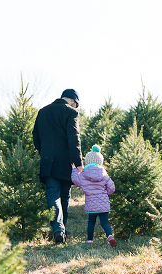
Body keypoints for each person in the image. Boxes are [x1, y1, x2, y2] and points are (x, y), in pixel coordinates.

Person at [32, 89, 83, 243]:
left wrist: (43, 151)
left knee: (53, 195)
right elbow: (74, 139)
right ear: (74, 101)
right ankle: (61, 228)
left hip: (47, 161)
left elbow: (35, 135)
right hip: (64, 162)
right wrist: (79, 164)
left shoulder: (43, 111)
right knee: (65, 195)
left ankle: (59, 229)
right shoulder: (71, 113)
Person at [71, 145, 116, 247]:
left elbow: (75, 180)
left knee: (91, 221)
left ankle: (90, 240)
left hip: (91, 204)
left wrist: (75, 169)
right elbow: (112, 187)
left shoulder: (83, 174)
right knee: (105, 222)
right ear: (100, 161)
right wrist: (106, 194)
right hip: (104, 203)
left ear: (87, 161)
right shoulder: (104, 174)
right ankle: (110, 236)